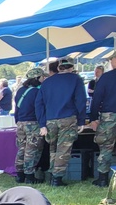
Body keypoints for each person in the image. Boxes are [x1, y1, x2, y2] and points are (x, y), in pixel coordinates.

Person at [36, 56, 86, 186]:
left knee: (53, 148)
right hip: (68, 118)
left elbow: (39, 104)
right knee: (63, 149)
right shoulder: (76, 79)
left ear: (58, 67)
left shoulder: (47, 82)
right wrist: (81, 121)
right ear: (72, 67)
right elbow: (80, 101)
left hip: (50, 120)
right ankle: (57, 178)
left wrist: (42, 123)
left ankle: (52, 174)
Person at [88, 47, 116, 187]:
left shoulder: (106, 77)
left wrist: (93, 118)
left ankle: (102, 178)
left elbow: (96, 99)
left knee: (105, 147)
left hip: (109, 116)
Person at [13, 68, 46, 184]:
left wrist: (17, 121)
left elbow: (16, 107)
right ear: (37, 78)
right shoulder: (37, 92)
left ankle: (19, 175)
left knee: (21, 149)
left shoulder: (20, 90)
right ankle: (30, 176)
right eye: (42, 77)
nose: (43, 79)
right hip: (33, 123)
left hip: (20, 123)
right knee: (32, 150)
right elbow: (39, 109)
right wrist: (42, 124)